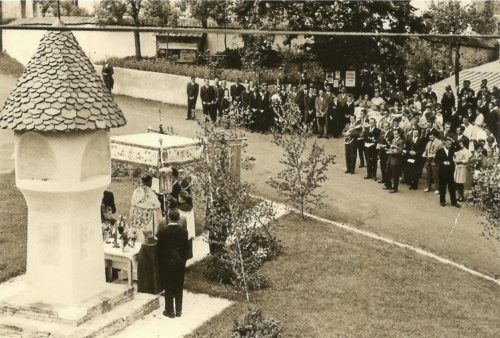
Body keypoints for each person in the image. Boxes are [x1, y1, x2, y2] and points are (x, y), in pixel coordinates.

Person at [157, 209, 189, 318]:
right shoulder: (184, 231)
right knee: (179, 286)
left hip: (167, 263)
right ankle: (179, 310)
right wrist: (183, 260)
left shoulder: (162, 231)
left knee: (168, 286)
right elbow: (186, 249)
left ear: (168, 218)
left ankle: (170, 311)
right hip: (179, 262)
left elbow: (159, 250)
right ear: (178, 218)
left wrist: (161, 262)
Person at [130, 175, 162, 243]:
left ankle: (135, 240)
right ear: (148, 182)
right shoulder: (149, 191)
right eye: (150, 182)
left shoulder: (137, 189)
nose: (151, 184)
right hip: (147, 215)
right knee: (147, 230)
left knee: (138, 230)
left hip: (137, 214)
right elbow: (157, 204)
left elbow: (133, 201)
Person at [435, 137, 460, 207]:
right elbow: (436, 160)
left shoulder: (452, 150)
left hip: (450, 172)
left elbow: (458, 147)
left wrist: (453, 140)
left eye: (450, 144)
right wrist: (443, 162)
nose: (450, 145)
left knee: (452, 187)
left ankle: (454, 202)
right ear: (444, 143)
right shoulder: (439, 151)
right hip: (442, 172)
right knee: (442, 187)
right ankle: (442, 201)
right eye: (448, 143)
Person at [137, 229, 162, 295]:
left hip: (146, 264)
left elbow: (140, 257)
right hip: (155, 262)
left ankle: (145, 289)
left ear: (144, 236)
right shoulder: (156, 242)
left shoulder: (144, 245)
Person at [178, 190, 195, 260]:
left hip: (182, 232)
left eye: (179, 197)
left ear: (181, 198)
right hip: (189, 231)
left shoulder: (179, 209)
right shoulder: (190, 208)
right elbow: (192, 221)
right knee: (187, 251)